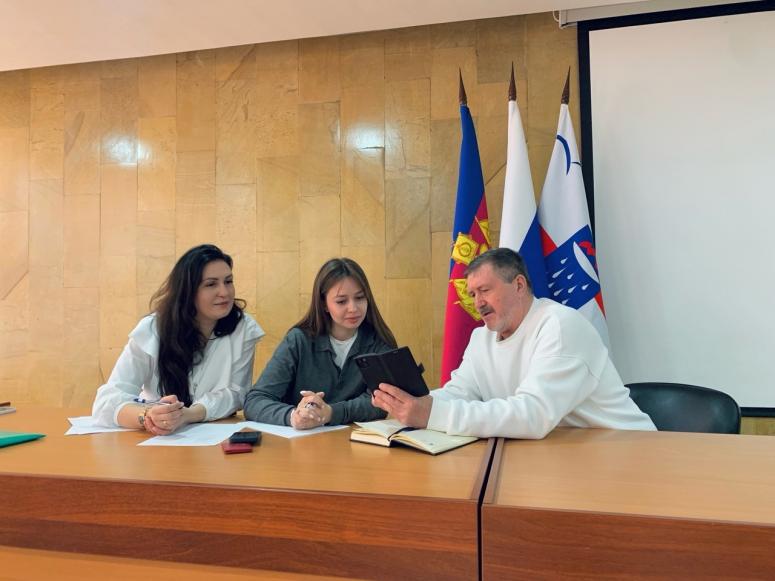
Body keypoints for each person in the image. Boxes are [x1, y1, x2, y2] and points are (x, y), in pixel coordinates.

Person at [372, 247, 656, 439]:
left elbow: (533, 415)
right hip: (564, 453)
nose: (478, 303)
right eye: (472, 294)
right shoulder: (481, 337)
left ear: (519, 285)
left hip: (629, 453)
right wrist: (415, 403)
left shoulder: (559, 325)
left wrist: (432, 414)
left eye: (485, 290)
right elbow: (461, 392)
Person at [92, 244, 264, 435]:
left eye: (228, 281)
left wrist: (188, 415)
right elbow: (106, 401)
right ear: (187, 290)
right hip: (155, 440)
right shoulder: (152, 329)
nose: (224, 292)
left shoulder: (244, 328)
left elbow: (237, 394)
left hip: (214, 438)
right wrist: (148, 416)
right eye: (211, 284)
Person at [243, 258, 396, 429]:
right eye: (341, 301)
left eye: (360, 298)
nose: (353, 308)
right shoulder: (298, 340)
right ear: (324, 304)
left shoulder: (379, 343)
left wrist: (330, 413)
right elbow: (255, 401)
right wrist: (294, 416)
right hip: (300, 441)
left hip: (354, 441)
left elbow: (383, 403)